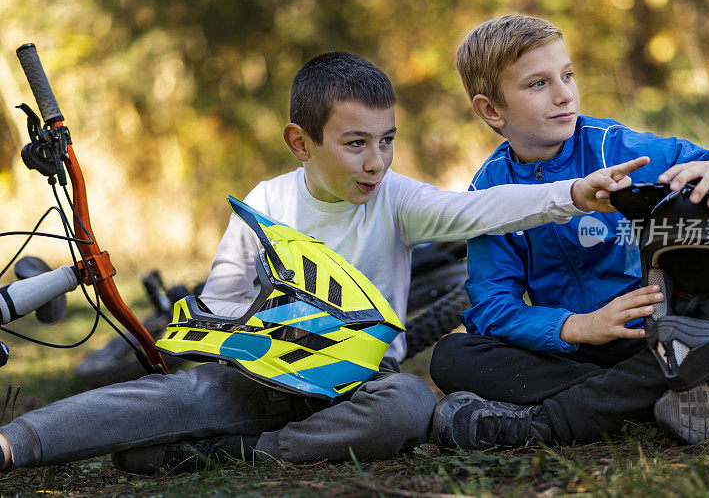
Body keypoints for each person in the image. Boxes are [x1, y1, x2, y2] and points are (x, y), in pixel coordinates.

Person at [0, 52, 647, 474]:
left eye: (387, 141)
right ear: (301, 143)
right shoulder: (268, 201)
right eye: (356, 143)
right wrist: (231, 330)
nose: (376, 161)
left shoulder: (397, 199)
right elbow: (224, 297)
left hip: (356, 385)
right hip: (263, 374)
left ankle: (239, 453)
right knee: (180, 393)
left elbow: (478, 209)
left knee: (407, 403)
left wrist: (567, 193)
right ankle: (15, 444)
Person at [429, 15, 709, 449]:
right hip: (574, 345)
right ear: (492, 109)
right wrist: (577, 327)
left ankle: (545, 424)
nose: (564, 94)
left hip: (656, 333)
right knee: (452, 358)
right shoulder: (489, 192)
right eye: (538, 84)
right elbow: (492, 307)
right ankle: (659, 395)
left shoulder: (616, 149)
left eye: (567, 75)